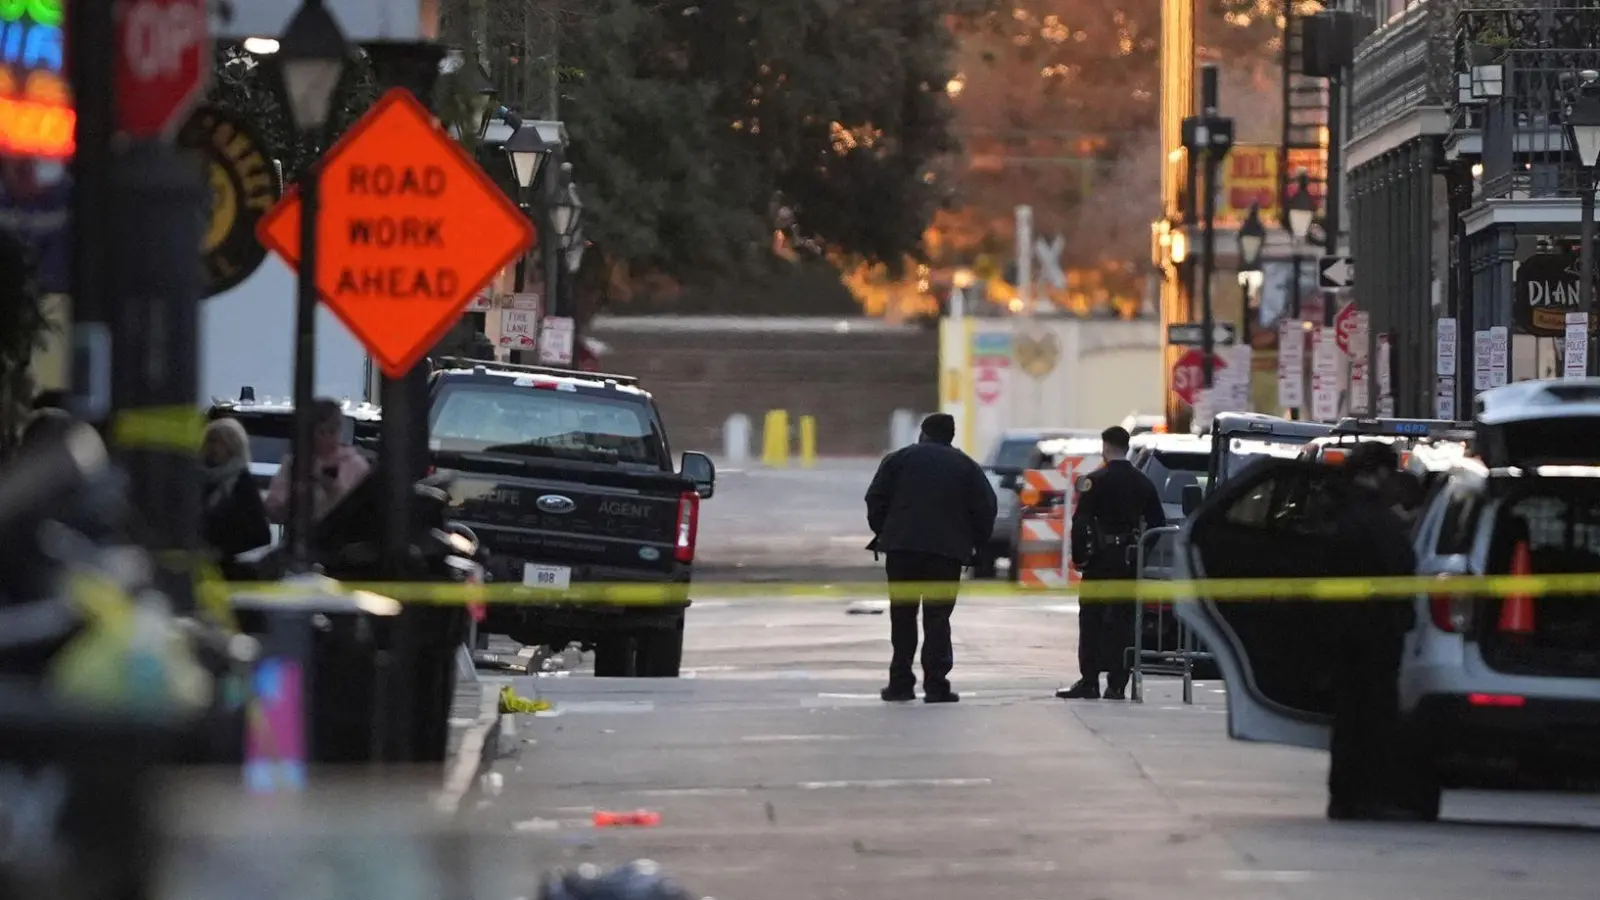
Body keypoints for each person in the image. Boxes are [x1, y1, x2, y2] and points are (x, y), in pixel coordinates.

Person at [864, 413, 996, 704]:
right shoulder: (966, 466)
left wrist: (886, 532)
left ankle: (900, 683)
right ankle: (936, 685)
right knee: (937, 618)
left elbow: (875, 498)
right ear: (951, 436)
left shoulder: (898, 460)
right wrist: (973, 544)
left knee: (903, 616)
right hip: (945, 554)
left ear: (923, 433)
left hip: (902, 551)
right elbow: (986, 508)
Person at [1324, 440, 1425, 821]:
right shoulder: (1374, 518)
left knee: (1348, 716)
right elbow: (1401, 564)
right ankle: (1365, 795)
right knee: (1372, 715)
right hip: (1374, 633)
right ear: (1380, 472)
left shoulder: (1338, 510)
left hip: (1346, 630)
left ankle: (1345, 795)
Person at [1057, 425, 1165, 701]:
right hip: (1127, 562)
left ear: (1105, 447)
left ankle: (1089, 681)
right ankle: (1117, 684)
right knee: (1123, 621)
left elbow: (1080, 523)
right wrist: (1141, 551)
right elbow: (1157, 525)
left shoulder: (1095, 480)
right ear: (1127, 447)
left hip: (1099, 561)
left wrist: (1080, 557)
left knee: (1091, 619)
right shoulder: (1143, 483)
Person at [263, 398, 370, 525]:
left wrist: (334, 490)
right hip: (301, 538)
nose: (327, 438)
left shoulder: (356, 465)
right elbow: (272, 510)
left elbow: (365, 514)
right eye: (321, 432)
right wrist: (295, 499)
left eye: (332, 431)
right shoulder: (293, 463)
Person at [199, 417, 272, 571]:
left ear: (233, 447)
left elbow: (259, 536)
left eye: (219, 442)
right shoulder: (197, 481)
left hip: (233, 570)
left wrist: (223, 552)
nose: (212, 448)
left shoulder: (242, 485)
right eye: (210, 441)